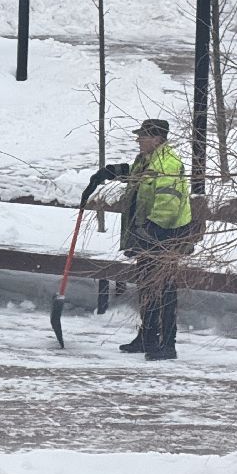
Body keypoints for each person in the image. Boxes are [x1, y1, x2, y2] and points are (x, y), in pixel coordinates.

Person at [82, 118, 193, 361]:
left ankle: (167, 344)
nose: (138, 140)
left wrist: (151, 230)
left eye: (143, 136)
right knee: (146, 286)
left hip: (166, 236)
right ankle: (148, 337)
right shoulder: (146, 161)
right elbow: (137, 177)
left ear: (157, 139)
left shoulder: (168, 163)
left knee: (164, 289)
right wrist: (110, 171)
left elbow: (169, 202)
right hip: (148, 234)